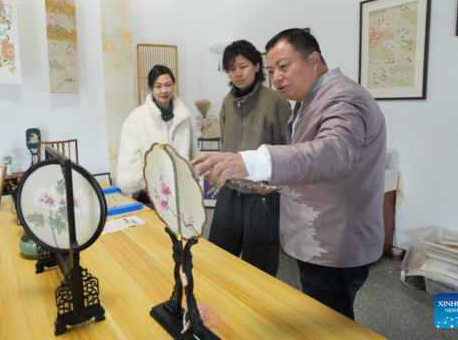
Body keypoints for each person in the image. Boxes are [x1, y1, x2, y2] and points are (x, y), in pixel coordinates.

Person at [192, 29, 386, 320]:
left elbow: (332, 153)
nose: (277, 76)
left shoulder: (343, 97)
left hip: (334, 243)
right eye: (272, 70)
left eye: (284, 66)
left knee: (329, 324)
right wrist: (275, 184)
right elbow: (306, 164)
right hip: (313, 236)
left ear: (313, 59)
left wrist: (252, 161)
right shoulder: (309, 101)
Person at [208, 40, 292, 276]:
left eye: (243, 66)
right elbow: (226, 144)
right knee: (219, 255)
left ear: (257, 66)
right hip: (230, 191)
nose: (238, 73)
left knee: (260, 264)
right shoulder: (227, 102)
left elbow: (288, 151)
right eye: (232, 69)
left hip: (261, 193)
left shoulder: (275, 102)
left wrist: (274, 186)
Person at [116, 65, 194, 202]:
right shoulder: (137, 117)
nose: (164, 90)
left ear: (174, 86)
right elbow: (129, 156)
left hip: (180, 188)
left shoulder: (184, 117)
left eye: (168, 85)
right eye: (158, 86)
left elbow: (191, 153)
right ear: (151, 88)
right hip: (149, 191)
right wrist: (141, 185)